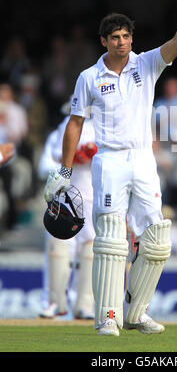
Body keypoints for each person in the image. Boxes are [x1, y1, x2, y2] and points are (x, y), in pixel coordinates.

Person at [44, 0, 177, 336]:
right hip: (109, 160)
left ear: (131, 37)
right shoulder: (89, 78)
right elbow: (75, 124)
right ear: (104, 41)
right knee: (110, 237)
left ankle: (136, 312)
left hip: (142, 160)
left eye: (126, 36)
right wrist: (63, 169)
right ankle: (107, 315)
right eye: (115, 37)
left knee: (156, 239)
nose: (122, 42)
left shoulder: (146, 63)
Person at [39, 108, 97, 320]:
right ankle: (55, 302)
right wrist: (75, 154)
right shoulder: (69, 122)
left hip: (93, 194)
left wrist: (94, 152)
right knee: (59, 246)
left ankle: (85, 305)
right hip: (67, 195)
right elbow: (55, 154)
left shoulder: (104, 123)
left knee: (91, 248)